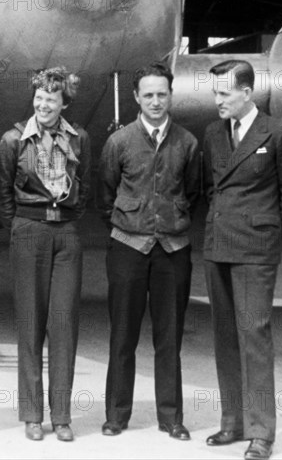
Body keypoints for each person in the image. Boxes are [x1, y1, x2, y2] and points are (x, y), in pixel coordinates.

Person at [202, 60, 282, 460]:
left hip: (255, 250)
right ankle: (233, 422)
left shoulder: (278, 134)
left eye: (224, 93)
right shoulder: (212, 133)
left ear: (247, 92)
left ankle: (262, 432)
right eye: (215, 93)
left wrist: (264, 231)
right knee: (225, 337)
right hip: (218, 246)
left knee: (255, 337)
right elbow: (208, 188)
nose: (217, 101)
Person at [98, 62, 200, 441]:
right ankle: (116, 415)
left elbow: (194, 193)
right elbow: (105, 195)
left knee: (169, 337)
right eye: (149, 95)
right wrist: (131, 223)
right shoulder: (119, 142)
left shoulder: (187, 143)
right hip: (127, 247)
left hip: (173, 250)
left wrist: (170, 220)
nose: (156, 101)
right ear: (137, 98)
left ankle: (171, 417)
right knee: (122, 335)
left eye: (162, 94)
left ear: (171, 96)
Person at [0, 66, 91, 442]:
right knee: (30, 323)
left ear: (64, 101)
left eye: (52, 98)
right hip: (28, 229)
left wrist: (64, 219)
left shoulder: (79, 138)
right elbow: (1, 190)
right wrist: (20, 225)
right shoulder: (13, 139)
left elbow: (87, 185)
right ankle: (32, 413)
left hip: (66, 233)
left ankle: (62, 415)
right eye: (39, 97)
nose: (43, 104)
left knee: (64, 324)